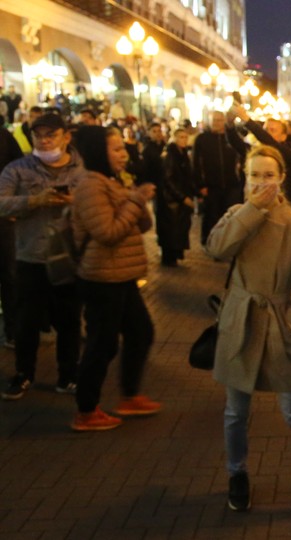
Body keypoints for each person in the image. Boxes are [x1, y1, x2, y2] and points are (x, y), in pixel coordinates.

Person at [206, 145, 291, 525]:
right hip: (239, 322)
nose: (261, 182)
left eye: (269, 175)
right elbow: (216, 247)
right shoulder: (237, 214)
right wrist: (252, 210)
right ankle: (237, 474)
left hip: (277, 325)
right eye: (254, 175)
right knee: (235, 412)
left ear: (282, 177)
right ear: (244, 177)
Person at [67, 126, 160, 430]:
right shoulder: (91, 186)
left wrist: (137, 200)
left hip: (121, 274)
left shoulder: (112, 181)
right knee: (102, 344)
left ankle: (129, 395)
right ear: (98, 152)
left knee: (140, 331)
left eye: (123, 148)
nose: (124, 154)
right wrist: (135, 202)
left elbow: (139, 226)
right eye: (117, 149)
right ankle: (86, 410)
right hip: (101, 277)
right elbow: (107, 233)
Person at [0, 113, 86, 400]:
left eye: (51, 134)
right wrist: (33, 201)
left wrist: (77, 202)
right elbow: (1, 203)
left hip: (68, 259)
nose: (45, 139)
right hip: (31, 257)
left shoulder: (80, 172)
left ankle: (68, 375)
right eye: (39, 134)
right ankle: (24, 373)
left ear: (66, 136)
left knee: (69, 320)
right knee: (27, 321)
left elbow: (95, 207)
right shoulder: (18, 169)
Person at [193, 110, 246, 244]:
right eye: (214, 120)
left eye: (220, 120)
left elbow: (243, 151)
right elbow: (196, 163)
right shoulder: (202, 139)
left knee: (229, 215)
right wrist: (200, 185)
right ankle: (209, 241)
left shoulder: (231, 138)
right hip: (211, 185)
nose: (217, 123)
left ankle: (226, 242)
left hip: (231, 184)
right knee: (211, 215)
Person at [156, 128, 195, 266]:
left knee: (178, 230)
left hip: (178, 199)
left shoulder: (183, 154)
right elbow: (168, 179)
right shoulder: (171, 155)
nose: (183, 140)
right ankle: (169, 258)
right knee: (171, 231)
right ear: (175, 138)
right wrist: (182, 197)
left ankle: (174, 256)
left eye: (185, 137)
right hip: (171, 201)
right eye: (180, 137)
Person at [0, 125, 23, 348]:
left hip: (3, 214)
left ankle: (13, 330)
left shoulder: (3, 135)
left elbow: (19, 167)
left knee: (9, 273)